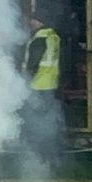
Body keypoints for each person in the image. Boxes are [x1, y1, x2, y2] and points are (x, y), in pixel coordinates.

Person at [23, 10, 62, 165]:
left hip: (37, 84)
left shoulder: (40, 38)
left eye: (32, 20)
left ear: (39, 21)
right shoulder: (54, 37)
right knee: (50, 120)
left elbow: (33, 63)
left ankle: (40, 156)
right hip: (50, 83)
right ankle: (53, 155)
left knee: (37, 121)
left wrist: (24, 80)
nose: (30, 23)